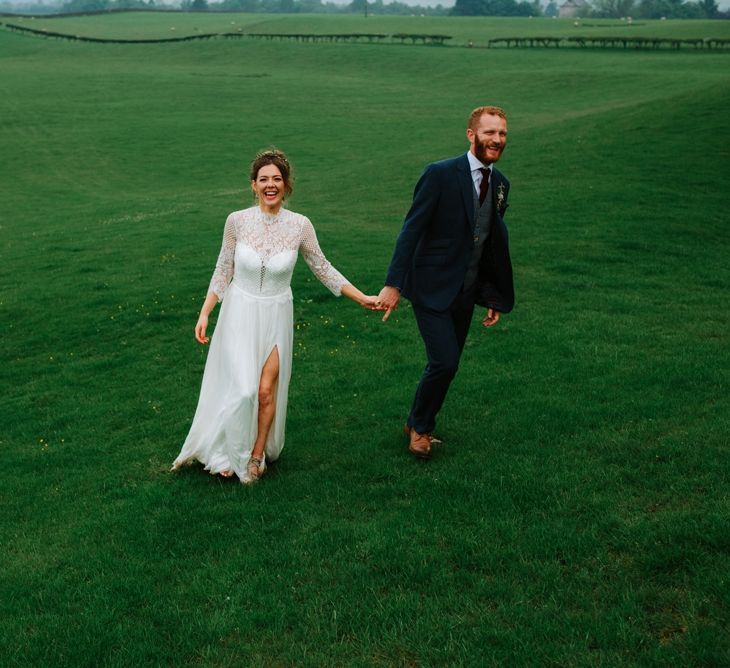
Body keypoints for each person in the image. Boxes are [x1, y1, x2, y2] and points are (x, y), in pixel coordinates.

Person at [172, 149, 380, 484]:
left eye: (277, 179)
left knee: (266, 391)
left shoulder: (300, 226)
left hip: (277, 314)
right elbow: (223, 268)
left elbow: (322, 268)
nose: (271, 185)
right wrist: (205, 312)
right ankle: (230, 451)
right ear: (253, 185)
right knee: (243, 390)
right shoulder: (236, 221)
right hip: (239, 312)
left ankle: (255, 457)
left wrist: (362, 298)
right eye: (264, 179)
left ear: (286, 185)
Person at [377, 106, 515, 460]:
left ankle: (415, 420)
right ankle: (421, 430)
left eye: (501, 133)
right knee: (445, 362)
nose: (496, 139)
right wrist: (394, 284)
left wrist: (492, 295)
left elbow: (487, 243)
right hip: (430, 285)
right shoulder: (439, 174)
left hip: (465, 291)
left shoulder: (500, 184)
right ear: (471, 135)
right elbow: (412, 228)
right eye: (489, 132)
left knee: (445, 363)